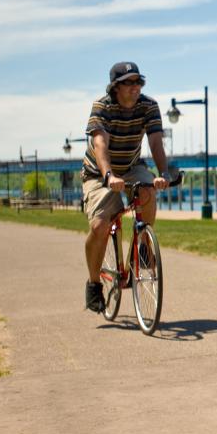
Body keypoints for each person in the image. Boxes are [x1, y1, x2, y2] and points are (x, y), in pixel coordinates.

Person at [82, 62, 170, 313]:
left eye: (139, 82)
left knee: (148, 190)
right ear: (115, 87)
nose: (136, 87)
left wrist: (163, 173)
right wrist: (108, 175)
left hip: (131, 166)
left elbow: (155, 142)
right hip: (98, 171)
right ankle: (94, 284)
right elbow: (100, 144)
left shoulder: (149, 106)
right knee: (99, 226)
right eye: (129, 83)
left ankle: (143, 247)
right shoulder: (103, 106)